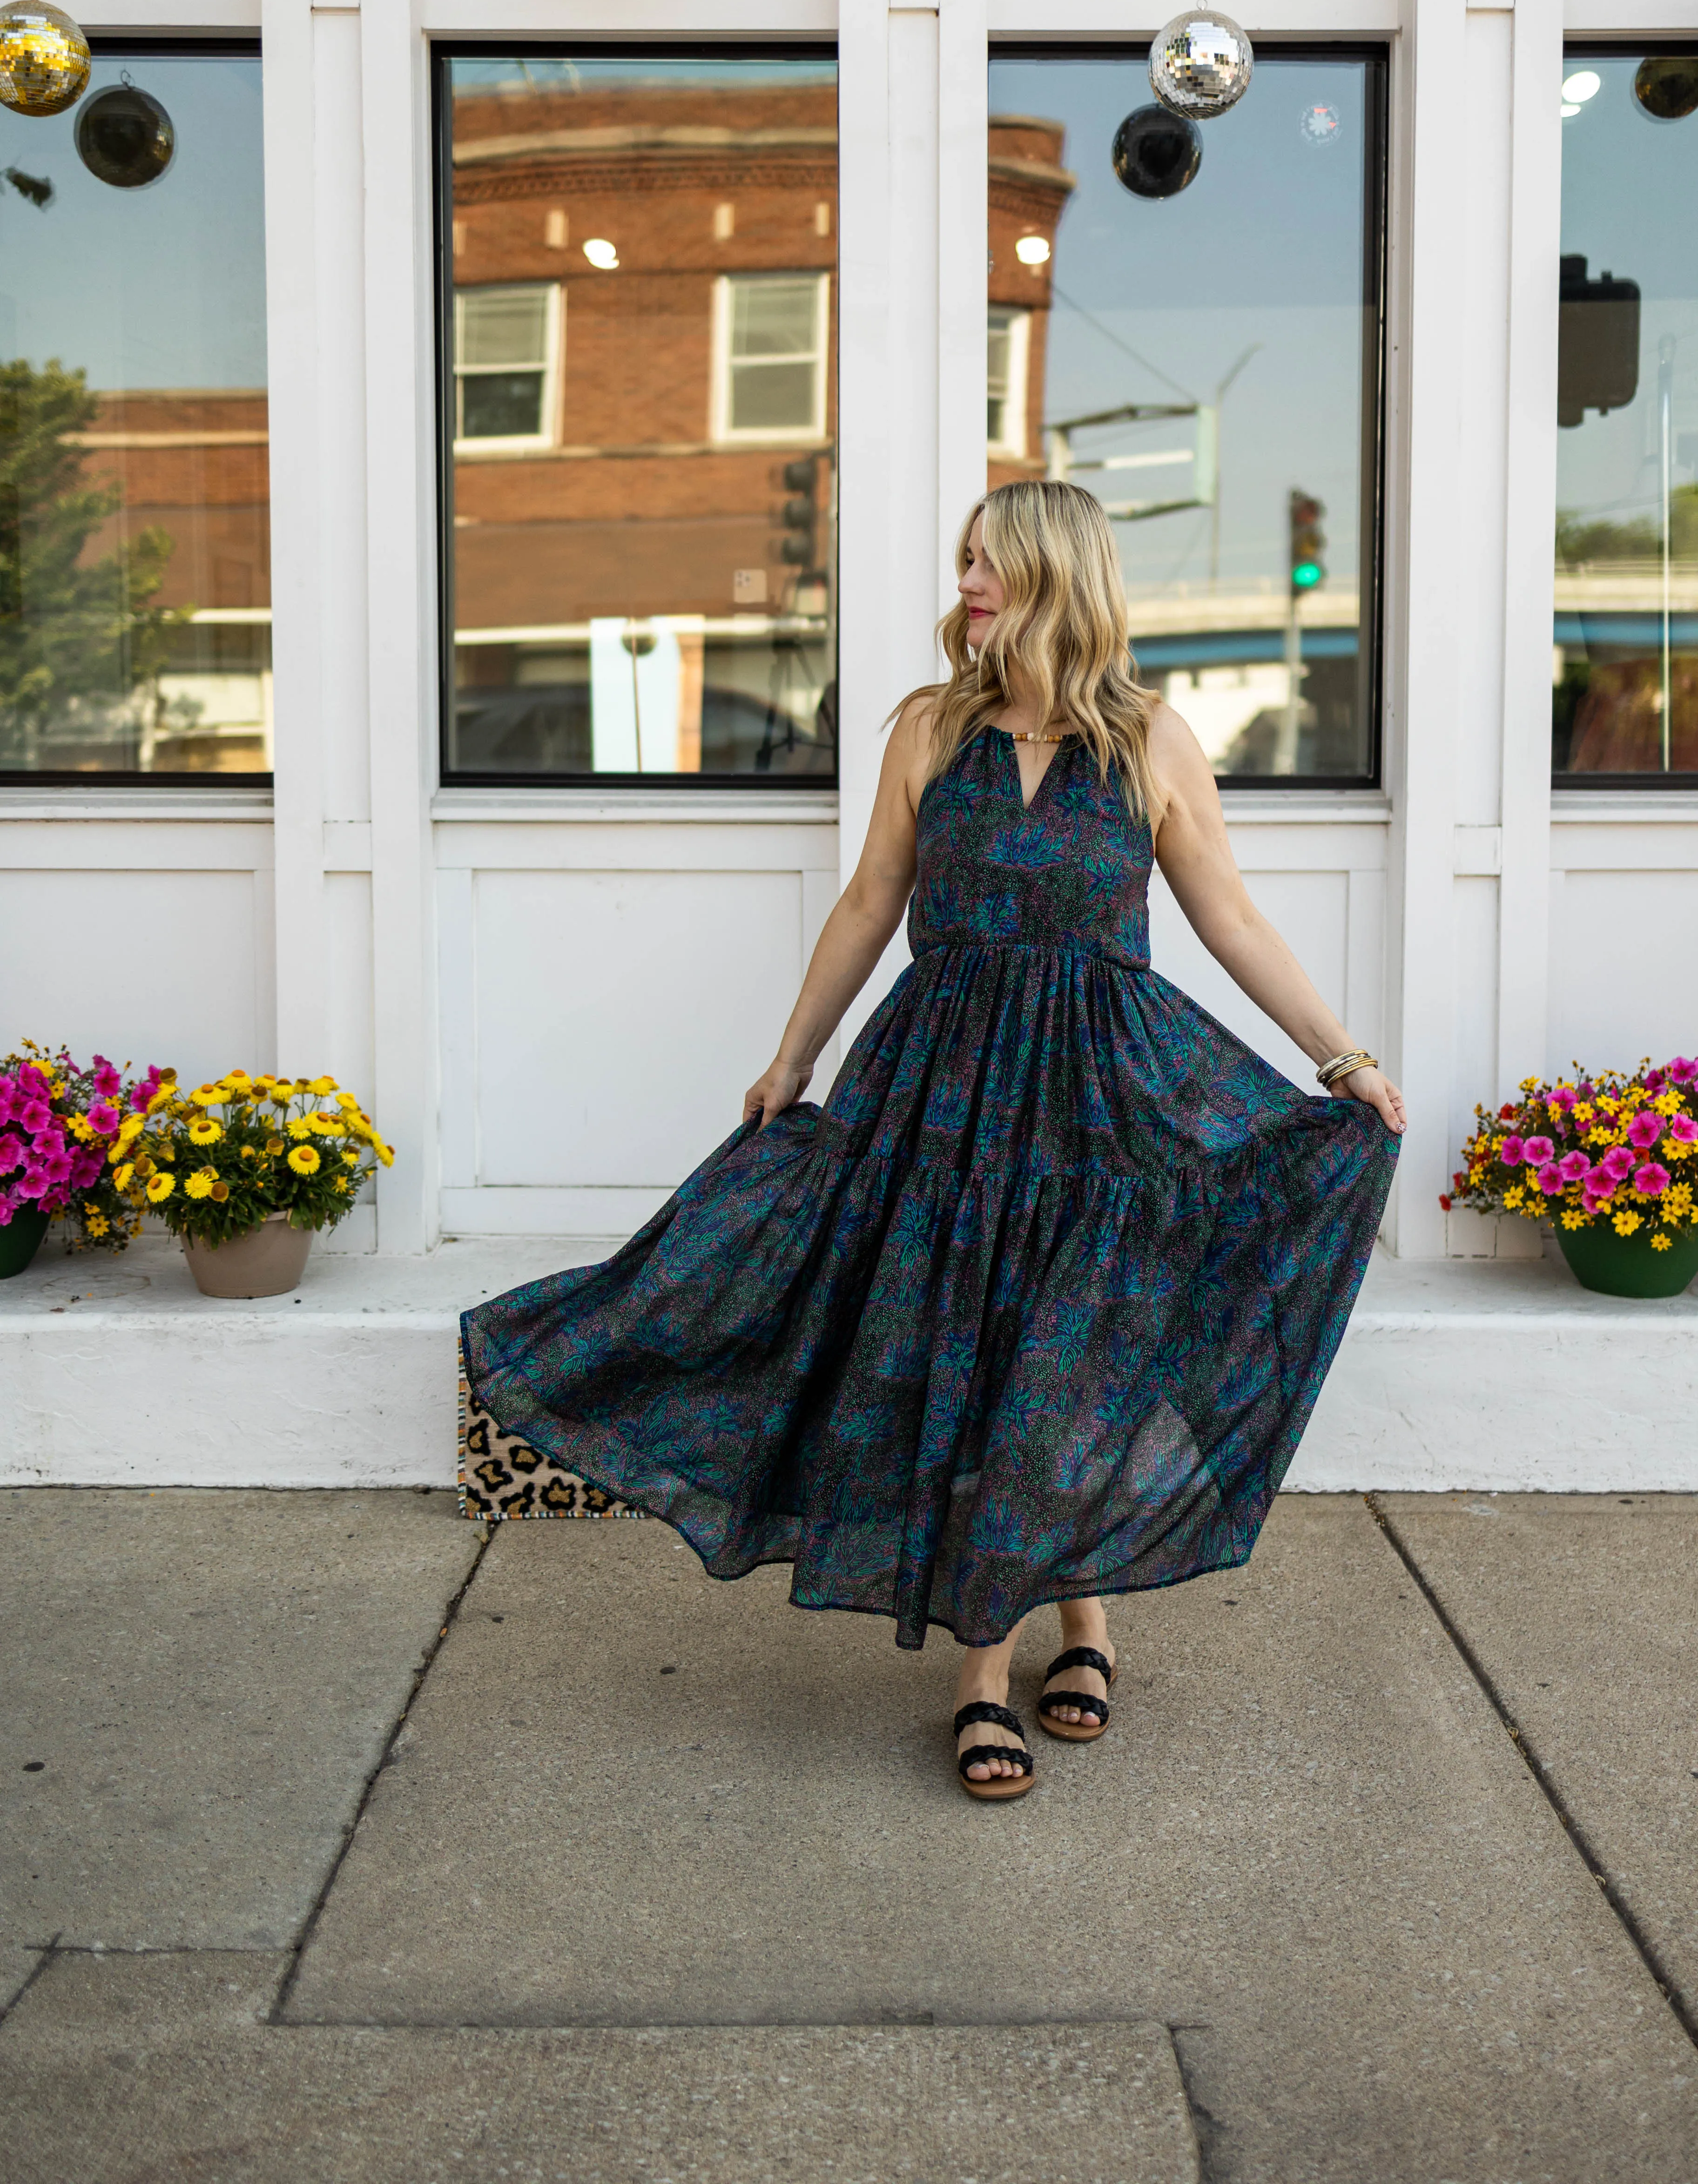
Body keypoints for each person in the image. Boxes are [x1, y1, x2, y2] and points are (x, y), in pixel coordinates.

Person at [462, 479, 1402, 1801]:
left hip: (1101, 1097)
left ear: (1056, 579)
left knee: (1069, 1365)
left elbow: (1231, 919)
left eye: (992, 566)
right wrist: (792, 1060)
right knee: (971, 1358)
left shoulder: (1150, 741)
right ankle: (980, 1675)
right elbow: (866, 905)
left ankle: (1084, 1620)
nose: (967, 584)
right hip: (942, 1090)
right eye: (966, 561)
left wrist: (1343, 1060)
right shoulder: (926, 729)